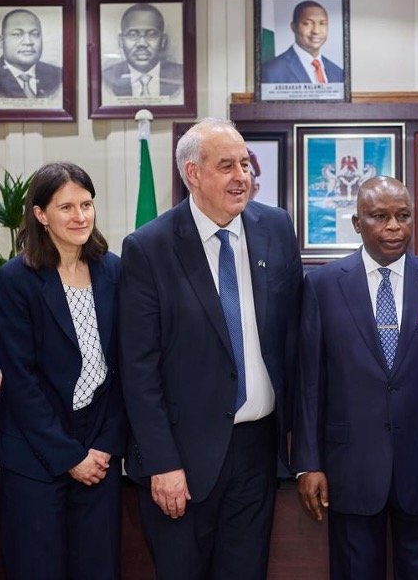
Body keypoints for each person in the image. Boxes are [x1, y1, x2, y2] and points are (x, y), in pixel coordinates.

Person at [119, 117, 303, 579]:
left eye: (245, 163)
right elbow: (139, 370)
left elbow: (293, 337)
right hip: (182, 457)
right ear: (193, 173)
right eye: (227, 166)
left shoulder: (276, 227)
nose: (242, 176)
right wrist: (163, 463)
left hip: (257, 450)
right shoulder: (149, 247)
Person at [292, 176, 418, 579]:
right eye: (380, 216)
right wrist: (308, 464)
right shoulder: (322, 285)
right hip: (350, 466)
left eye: (403, 216)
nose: (394, 226)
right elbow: (310, 384)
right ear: (357, 223)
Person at [0, 162, 126, 579]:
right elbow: (20, 379)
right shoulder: (16, 279)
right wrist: (69, 456)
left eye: (86, 204)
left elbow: (126, 366)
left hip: (98, 449)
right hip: (34, 451)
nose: (80, 216)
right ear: (41, 214)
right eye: (66, 207)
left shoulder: (114, 270)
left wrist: (104, 445)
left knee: (98, 567)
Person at [102, 3, 183, 98]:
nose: (142, 43)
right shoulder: (106, 78)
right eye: (132, 35)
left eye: (151, 34)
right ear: (121, 41)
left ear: (163, 41)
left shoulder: (182, 75)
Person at [0, 9, 62, 99]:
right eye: (17, 34)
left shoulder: (58, 76)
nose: (28, 42)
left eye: (35, 34)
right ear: (2, 40)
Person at [260, 0, 344, 84]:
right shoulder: (271, 71)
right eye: (307, 23)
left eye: (322, 23)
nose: (316, 31)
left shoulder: (338, 72)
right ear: (294, 27)